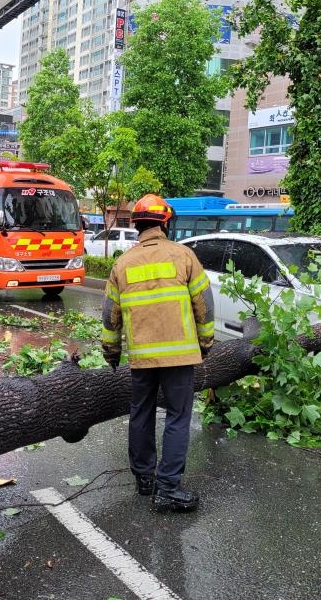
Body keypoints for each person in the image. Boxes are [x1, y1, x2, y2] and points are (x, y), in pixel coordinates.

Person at [100, 194, 214, 512]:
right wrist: (205, 344)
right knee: (177, 417)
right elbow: (204, 306)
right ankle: (167, 487)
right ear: (165, 222)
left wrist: (111, 353)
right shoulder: (184, 256)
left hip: (142, 358)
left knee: (142, 412)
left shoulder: (122, 264)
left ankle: (144, 480)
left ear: (137, 225)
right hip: (179, 357)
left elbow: (110, 316)